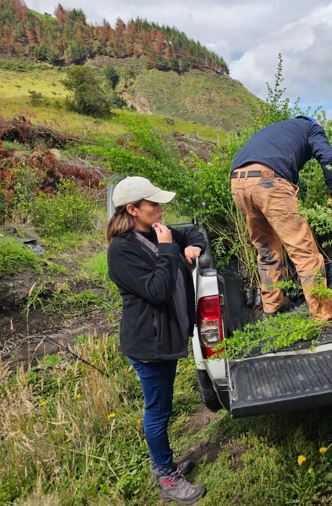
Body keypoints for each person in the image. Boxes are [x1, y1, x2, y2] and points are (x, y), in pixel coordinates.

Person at [106, 176, 206, 504]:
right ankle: (165, 475)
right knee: (158, 410)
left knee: (163, 405)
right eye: (153, 204)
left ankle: (166, 464)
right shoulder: (122, 250)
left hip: (164, 339)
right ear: (132, 210)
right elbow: (156, 291)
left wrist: (192, 246)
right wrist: (168, 250)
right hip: (148, 345)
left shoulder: (154, 231)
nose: (161, 209)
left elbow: (191, 232)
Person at [230, 115, 332, 320]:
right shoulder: (312, 128)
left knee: (266, 249)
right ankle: (324, 312)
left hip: (238, 183)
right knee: (303, 250)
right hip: (268, 182)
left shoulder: (280, 129)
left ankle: (272, 306)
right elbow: (327, 157)